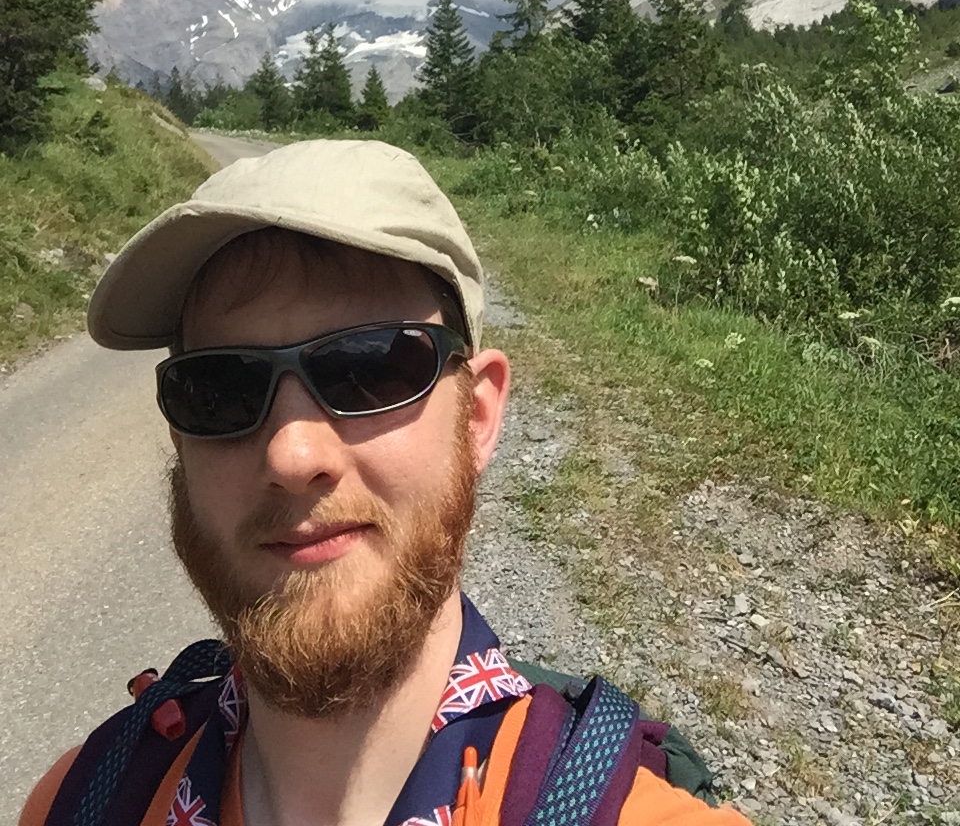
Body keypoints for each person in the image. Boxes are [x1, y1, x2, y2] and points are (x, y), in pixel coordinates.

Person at [21, 139, 752, 826]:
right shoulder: (83, 798)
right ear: (180, 438)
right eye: (219, 390)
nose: (292, 453)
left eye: (371, 369)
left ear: (478, 417)